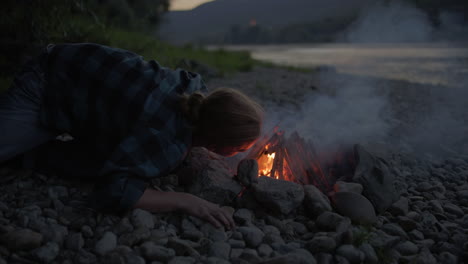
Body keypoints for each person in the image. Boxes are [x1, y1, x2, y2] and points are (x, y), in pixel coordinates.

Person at [0, 43, 264, 230]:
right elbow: (113, 193)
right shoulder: (167, 143)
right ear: (215, 144)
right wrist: (185, 200)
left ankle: (41, 149)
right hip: (46, 84)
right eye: (239, 147)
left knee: (106, 159)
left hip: (68, 62)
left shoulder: (193, 87)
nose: (242, 152)